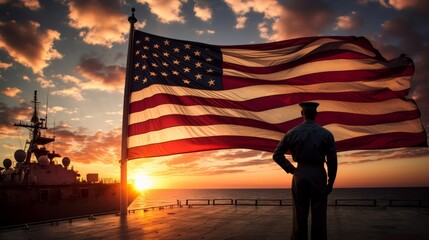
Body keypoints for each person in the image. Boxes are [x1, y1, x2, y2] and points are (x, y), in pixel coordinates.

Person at [273, 102, 337, 240]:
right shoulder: (326, 134)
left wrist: (292, 169)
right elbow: (332, 161)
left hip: (300, 173)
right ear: (316, 114)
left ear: (302, 114)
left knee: (299, 214)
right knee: (319, 214)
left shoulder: (291, 133)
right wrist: (331, 182)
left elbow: (277, 155)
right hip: (318, 173)